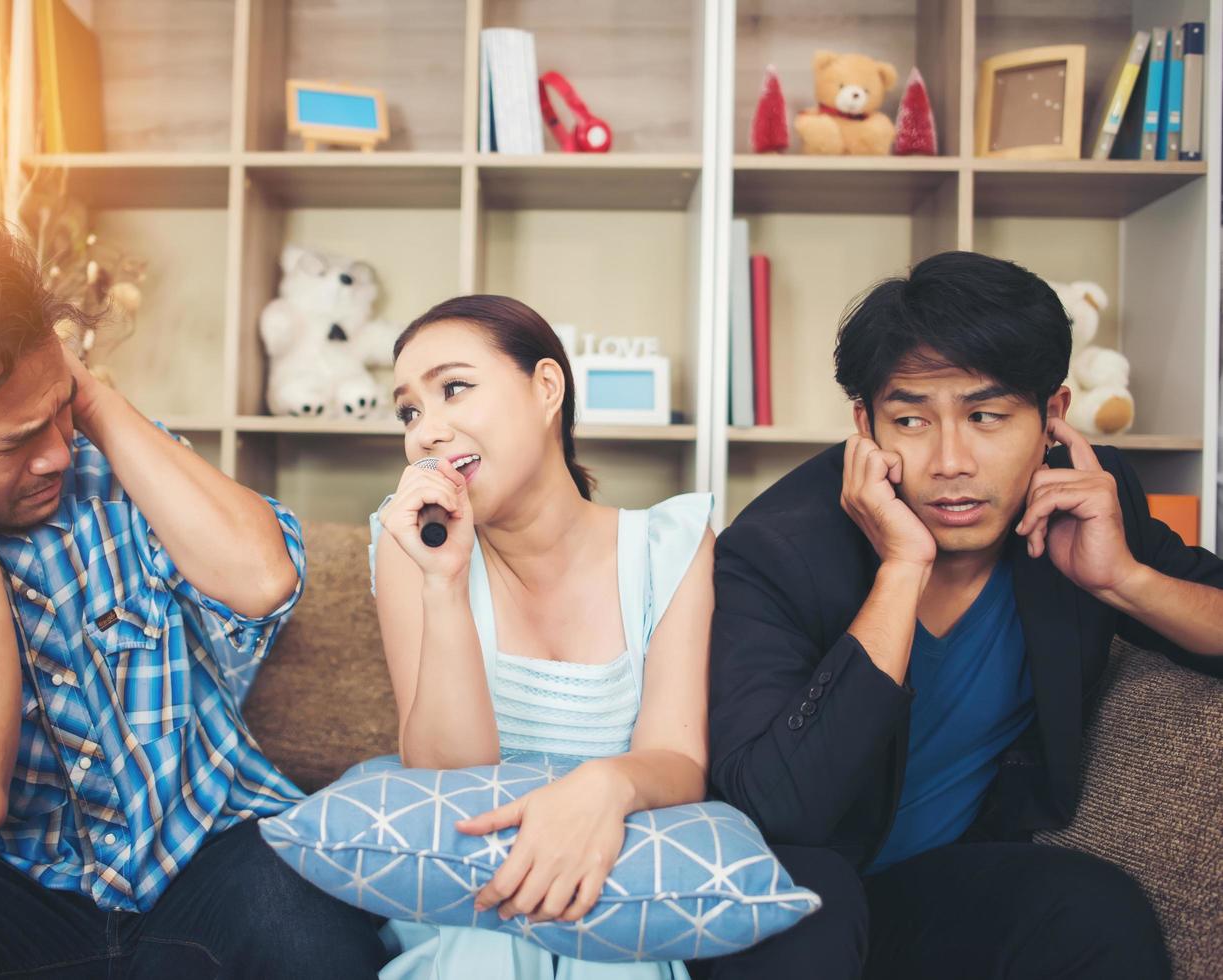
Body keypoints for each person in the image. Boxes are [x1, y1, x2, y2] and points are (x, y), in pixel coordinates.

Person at [0, 215, 387, 978]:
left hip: (216, 857)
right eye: (13, 442)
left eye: (59, 411)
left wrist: (80, 395)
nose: (56, 452)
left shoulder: (118, 474)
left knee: (311, 928)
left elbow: (263, 581)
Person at [699, 251, 1223, 980]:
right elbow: (777, 811)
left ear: (1052, 419)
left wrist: (1126, 580)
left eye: (985, 416)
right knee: (801, 910)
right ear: (865, 425)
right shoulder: (777, 549)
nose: (950, 460)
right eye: (909, 419)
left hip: (935, 891)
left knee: (1092, 910)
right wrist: (901, 570)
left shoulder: (1086, 499)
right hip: (789, 885)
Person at [368, 295, 714, 979]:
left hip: (614, 865)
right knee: (484, 948)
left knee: (607, 953)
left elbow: (677, 760)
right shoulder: (406, 541)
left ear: (545, 388)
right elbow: (444, 778)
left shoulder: (670, 543)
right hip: (466, 878)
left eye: (453, 389)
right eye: (409, 411)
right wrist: (444, 582)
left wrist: (601, 790)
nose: (425, 433)